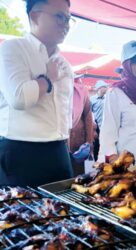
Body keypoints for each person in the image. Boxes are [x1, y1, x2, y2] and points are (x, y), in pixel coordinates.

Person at [0, 0, 74, 187]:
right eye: (59, 16)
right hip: (21, 151)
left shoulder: (64, 63)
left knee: (68, 213)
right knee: (22, 214)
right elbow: (19, 97)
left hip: (59, 150)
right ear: (35, 16)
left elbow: (66, 112)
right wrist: (47, 80)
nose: (65, 24)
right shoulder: (13, 48)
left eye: (68, 19)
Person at [69, 76, 94, 176]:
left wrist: (89, 142)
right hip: (58, 144)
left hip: (78, 143)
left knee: (78, 175)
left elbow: (88, 117)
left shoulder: (80, 90)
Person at [90, 80, 108, 160]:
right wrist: (93, 130)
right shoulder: (92, 99)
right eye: (105, 87)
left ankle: (107, 164)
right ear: (100, 88)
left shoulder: (108, 98)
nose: (106, 88)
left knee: (107, 146)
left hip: (106, 126)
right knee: (96, 146)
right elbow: (89, 114)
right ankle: (97, 164)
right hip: (97, 127)